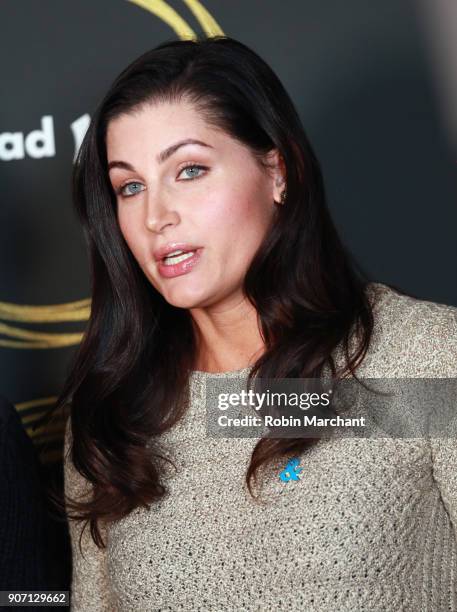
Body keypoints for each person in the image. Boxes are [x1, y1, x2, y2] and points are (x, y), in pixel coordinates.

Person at [56, 35, 457, 610]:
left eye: (189, 170)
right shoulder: (115, 418)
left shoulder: (428, 360)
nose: (156, 216)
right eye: (131, 186)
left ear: (278, 170)